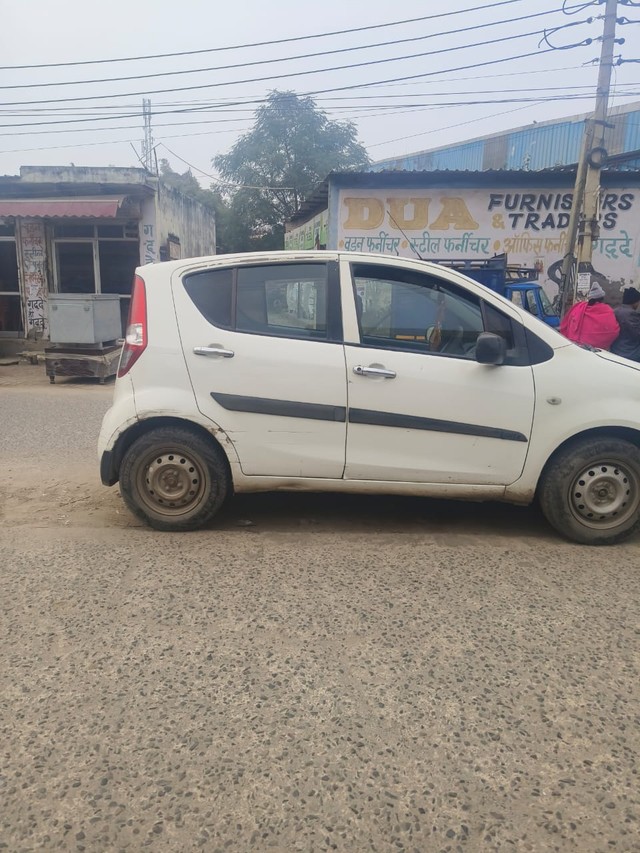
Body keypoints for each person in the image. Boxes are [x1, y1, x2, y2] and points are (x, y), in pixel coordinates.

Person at [559, 282, 619, 350]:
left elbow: (566, 325)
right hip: (598, 352)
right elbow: (613, 331)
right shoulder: (606, 310)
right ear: (602, 299)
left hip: (576, 347)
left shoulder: (577, 308)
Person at [611, 286, 640, 362]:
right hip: (629, 352)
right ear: (634, 301)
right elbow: (637, 334)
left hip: (616, 349)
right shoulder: (632, 314)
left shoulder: (615, 311)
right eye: (638, 302)